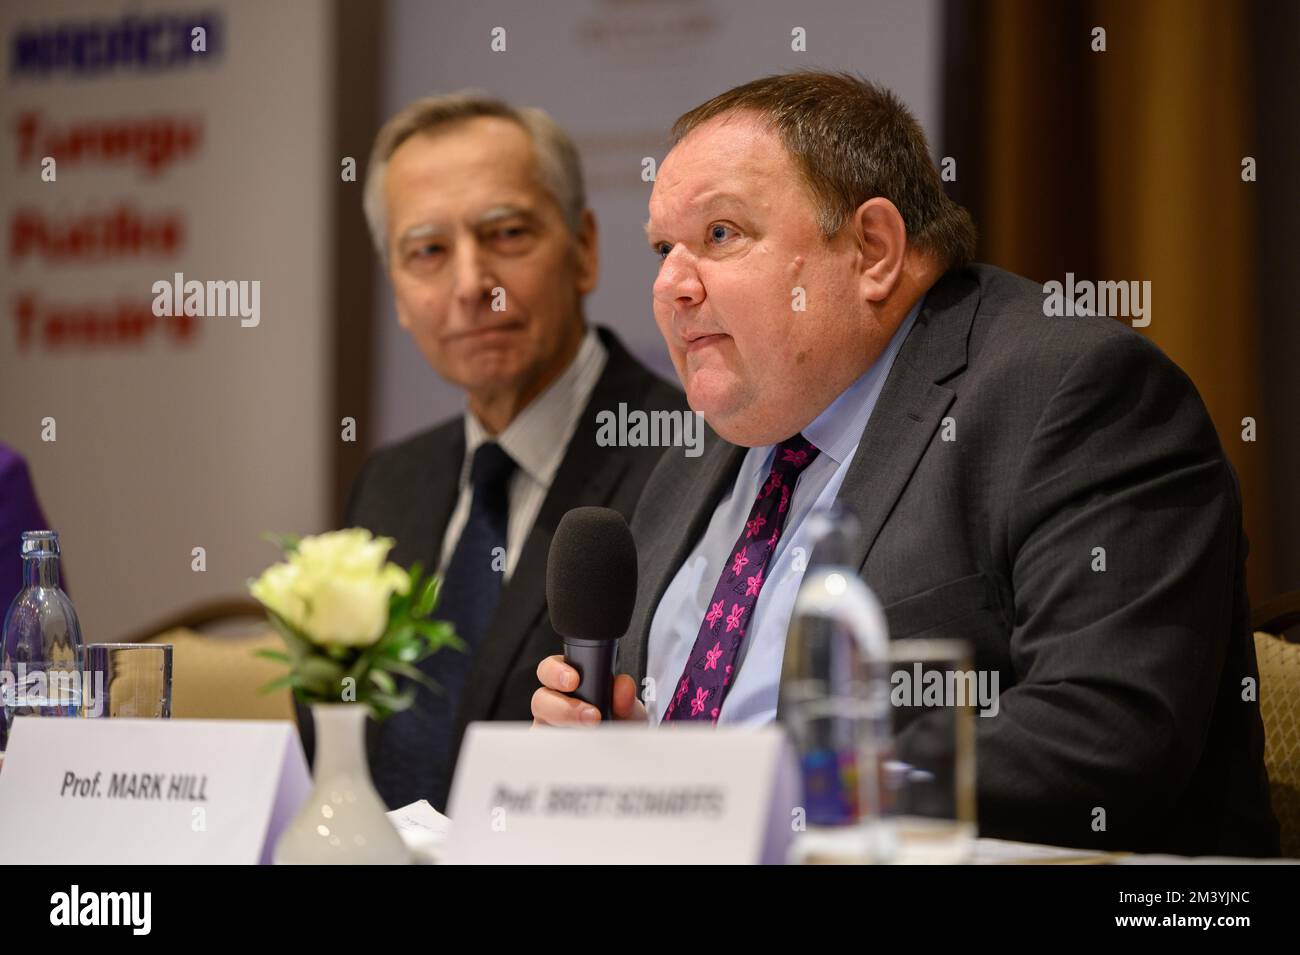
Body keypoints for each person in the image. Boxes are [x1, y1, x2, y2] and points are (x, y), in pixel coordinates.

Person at [532, 71, 1279, 856]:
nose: (670, 285)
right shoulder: (708, 446)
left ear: (874, 249)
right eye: (662, 248)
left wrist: (778, 788)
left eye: (721, 235)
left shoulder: (1074, 394)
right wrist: (621, 760)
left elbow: (1106, 733)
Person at [299, 93, 687, 812]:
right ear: (397, 288)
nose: (472, 284)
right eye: (427, 251)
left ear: (584, 249)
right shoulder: (388, 481)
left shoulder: (690, 456)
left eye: (506, 234)